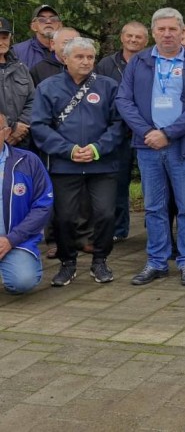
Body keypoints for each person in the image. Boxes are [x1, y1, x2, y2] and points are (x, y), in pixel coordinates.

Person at [116, 7, 185, 287]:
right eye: (162, 29)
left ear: (183, 31)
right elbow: (124, 101)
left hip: (183, 146)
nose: (168, 34)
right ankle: (157, 261)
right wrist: (148, 132)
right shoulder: (139, 62)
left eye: (173, 29)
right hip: (148, 147)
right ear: (154, 31)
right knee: (154, 207)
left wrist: (168, 133)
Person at [31, 38, 124, 286]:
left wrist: (96, 148)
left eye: (90, 57)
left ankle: (100, 261)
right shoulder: (48, 87)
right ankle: (67, 263)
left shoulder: (108, 86)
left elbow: (119, 124)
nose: (86, 62)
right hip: (64, 164)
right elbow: (39, 126)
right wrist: (68, 150)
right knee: (64, 217)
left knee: (105, 214)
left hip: (102, 164)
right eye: (79, 57)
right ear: (65, 58)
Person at [96, 21, 150, 241]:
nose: (133, 40)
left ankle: (154, 230)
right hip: (117, 131)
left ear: (146, 41)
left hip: (146, 130)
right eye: (129, 36)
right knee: (118, 182)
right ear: (122, 37)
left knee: (151, 183)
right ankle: (119, 231)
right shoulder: (106, 65)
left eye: (139, 37)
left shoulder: (152, 62)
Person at [0, 113, 53, 294]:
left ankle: (19, 262)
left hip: (15, 240)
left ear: (6, 132)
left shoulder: (28, 161)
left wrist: (11, 239)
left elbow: (43, 205)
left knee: (23, 281)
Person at [0, 18, 34, 150]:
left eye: (4, 38)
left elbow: (33, 100)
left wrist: (21, 126)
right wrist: (12, 127)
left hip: (21, 142)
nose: (1, 42)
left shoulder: (21, 68)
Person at [13, 4, 61, 69]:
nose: (48, 21)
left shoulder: (69, 49)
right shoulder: (17, 52)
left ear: (60, 25)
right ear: (33, 26)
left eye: (53, 19)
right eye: (42, 19)